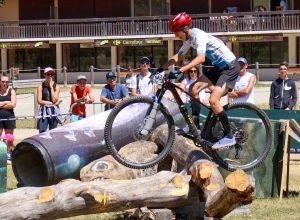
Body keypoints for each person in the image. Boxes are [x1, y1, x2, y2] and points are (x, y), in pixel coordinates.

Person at [158, 12, 240, 149]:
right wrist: (161, 68)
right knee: (193, 89)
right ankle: (194, 126)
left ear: (184, 28)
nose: (175, 35)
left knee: (213, 100)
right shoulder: (188, 39)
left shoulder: (198, 35)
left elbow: (201, 58)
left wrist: (182, 70)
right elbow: (178, 56)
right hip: (219, 67)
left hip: (230, 67)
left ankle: (229, 136)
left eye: (176, 32)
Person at [168, 66, 208, 133]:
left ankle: (195, 129)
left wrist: (207, 100)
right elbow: (179, 91)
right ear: (188, 72)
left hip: (200, 104)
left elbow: (213, 89)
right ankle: (189, 128)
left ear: (197, 72)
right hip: (188, 104)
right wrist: (172, 97)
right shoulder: (185, 80)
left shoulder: (201, 80)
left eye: (195, 71)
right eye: (191, 71)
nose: (193, 73)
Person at [37, 67, 62, 133]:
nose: (50, 76)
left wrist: (51, 87)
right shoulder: (41, 86)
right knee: (42, 132)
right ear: (44, 75)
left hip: (53, 111)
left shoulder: (56, 86)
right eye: (48, 74)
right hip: (44, 111)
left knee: (53, 132)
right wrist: (52, 103)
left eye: (52, 74)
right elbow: (39, 101)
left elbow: (54, 99)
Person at [0, 73, 16, 161]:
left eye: (6, 82)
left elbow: (13, 104)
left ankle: (9, 155)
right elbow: (9, 103)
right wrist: (6, 102)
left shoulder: (11, 91)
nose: (4, 83)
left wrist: (1, 105)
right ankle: (1, 155)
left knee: (9, 138)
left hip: (9, 117)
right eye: (3, 81)